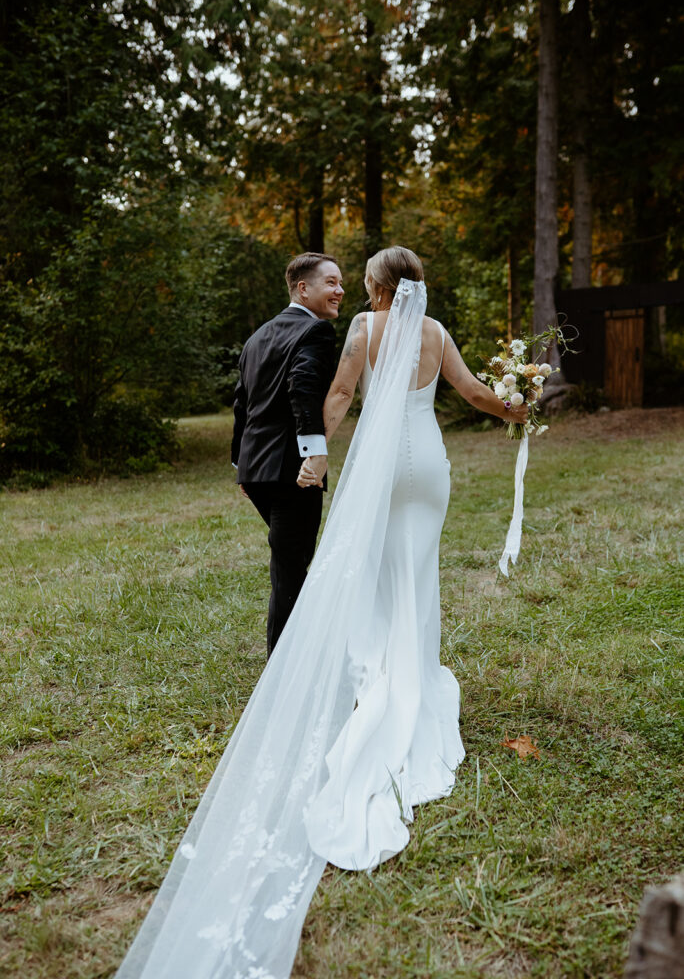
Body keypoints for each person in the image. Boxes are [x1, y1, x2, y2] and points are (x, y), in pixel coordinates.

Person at [115, 247, 527, 979]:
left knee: (367, 576)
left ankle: (377, 675)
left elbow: (335, 397)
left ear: (374, 287)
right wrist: (517, 402)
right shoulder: (433, 334)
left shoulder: (364, 334)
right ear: (418, 288)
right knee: (417, 573)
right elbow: (472, 395)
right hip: (427, 466)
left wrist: (316, 452)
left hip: (380, 470)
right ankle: (413, 671)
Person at [231, 251, 343, 655]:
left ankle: (301, 648)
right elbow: (302, 387)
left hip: (257, 471)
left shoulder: (257, 336)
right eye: (330, 282)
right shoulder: (315, 333)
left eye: (341, 282)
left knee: (290, 560)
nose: (340, 290)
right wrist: (314, 452)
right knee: (291, 569)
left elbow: (241, 403)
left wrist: (239, 465)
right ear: (303, 288)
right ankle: (282, 665)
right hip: (293, 471)